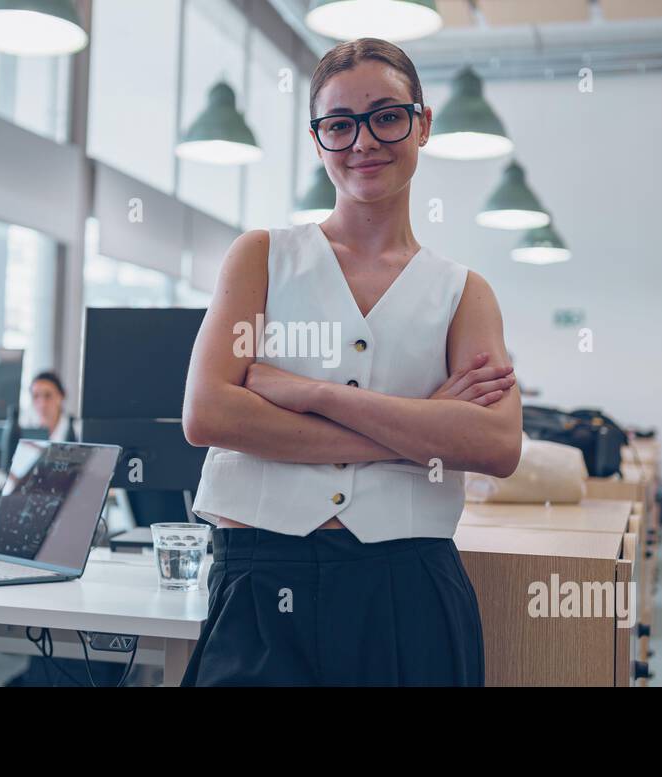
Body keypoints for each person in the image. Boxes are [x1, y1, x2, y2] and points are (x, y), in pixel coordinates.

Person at [180, 38, 522, 686]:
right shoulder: (260, 257)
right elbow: (208, 413)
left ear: (422, 123)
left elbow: (497, 444)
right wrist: (421, 428)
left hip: (407, 586)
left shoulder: (463, 291)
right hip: (260, 579)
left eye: (386, 116)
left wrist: (311, 393)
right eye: (339, 125)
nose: (363, 141)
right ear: (318, 141)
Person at [29, 371, 72, 442]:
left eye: (48, 395)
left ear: (61, 396)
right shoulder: (26, 429)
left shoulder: (77, 431)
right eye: (36, 396)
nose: (42, 403)